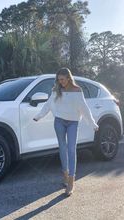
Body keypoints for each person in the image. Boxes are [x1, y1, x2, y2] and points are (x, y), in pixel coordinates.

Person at [33, 68, 99, 196]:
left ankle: (71, 182)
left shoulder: (77, 90)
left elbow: (84, 109)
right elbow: (48, 104)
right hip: (59, 122)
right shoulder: (56, 90)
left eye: (62, 79)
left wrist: (92, 123)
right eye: (59, 80)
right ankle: (65, 174)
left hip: (73, 122)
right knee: (62, 148)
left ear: (69, 78)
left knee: (71, 149)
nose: (60, 82)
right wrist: (39, 116)